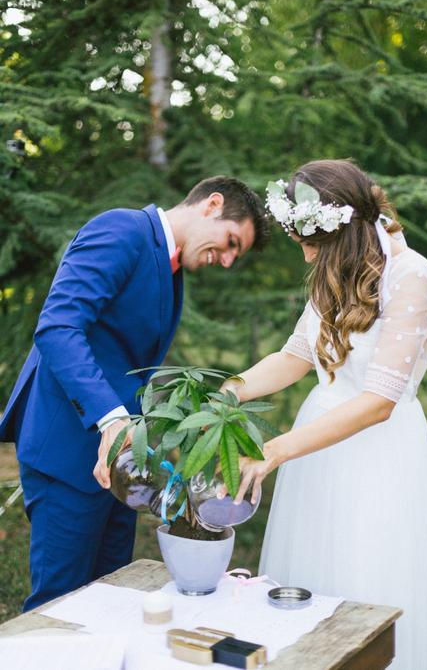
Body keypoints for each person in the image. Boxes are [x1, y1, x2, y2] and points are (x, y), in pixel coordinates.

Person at [222, 160, 427, 670]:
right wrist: (224, 394)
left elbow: (378, 402)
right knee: (309, 576)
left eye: (312, 240)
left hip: (379, 453)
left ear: (345, 230)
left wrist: (275, 449)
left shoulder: (411, 275)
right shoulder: (331, 270)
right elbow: (294, 357)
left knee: (363, 579)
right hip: (316, 446)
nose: (305, 252)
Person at [0, 176, 268, 611]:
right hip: (68, 452)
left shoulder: (169, 265)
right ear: (211, 204)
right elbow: (58, 327)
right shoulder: (121, 230)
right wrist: (110, 418)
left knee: (109, 602)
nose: (228, 261)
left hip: (122, 466)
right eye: (232, 241)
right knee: (56, 610)